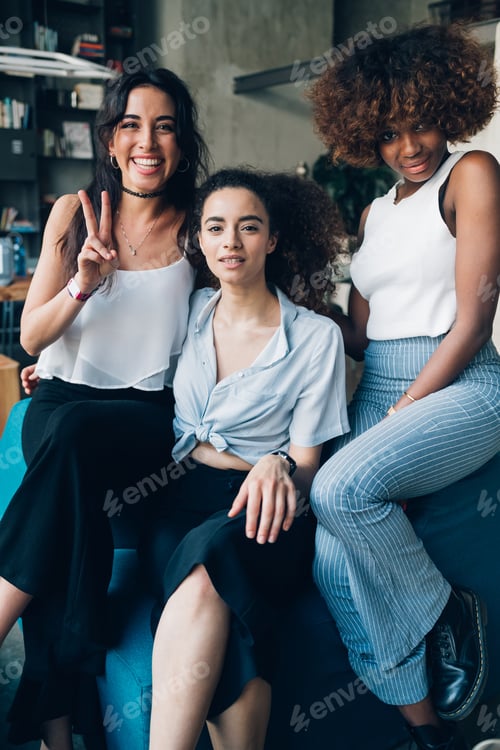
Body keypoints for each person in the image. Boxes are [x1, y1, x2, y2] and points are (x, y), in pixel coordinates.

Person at [0, 67, 210, 748]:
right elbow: (33, 336)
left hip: (140, 417)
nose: (148, 141)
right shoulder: (73, 211)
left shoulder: (198, 229)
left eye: (165, 125)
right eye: (131, 125)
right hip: (59, 404)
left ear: (181, 143)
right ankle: (58, 726)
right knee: (72, 486)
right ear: (111, 141)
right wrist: (84, 287)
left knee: (78, 443)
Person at [306, 22, 500, 750]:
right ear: (366, 136)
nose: (410, 145)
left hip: (463, 384)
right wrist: (297, 305)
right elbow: (359, 336)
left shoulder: (472, 173)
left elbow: (473, 321)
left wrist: (407, 406)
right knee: (331, 557)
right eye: (389, 133)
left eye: (420, 123)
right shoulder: (373, 215)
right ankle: (423, 732)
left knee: (338, 491)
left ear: (449, 109)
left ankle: (447, 614)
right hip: (379, 389)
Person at [137, 167, 350, 750]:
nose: (231, 241)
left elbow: (305, 467)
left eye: (248, 227)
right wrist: (55, 371)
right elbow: (122, 362)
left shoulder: (314, 338)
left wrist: (275, 463)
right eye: (216, 227)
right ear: (200, 241)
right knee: (221, 604)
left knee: (213, 563)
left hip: (270, 510)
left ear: (272, 240)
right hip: (180, 496)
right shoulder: (189, 310)